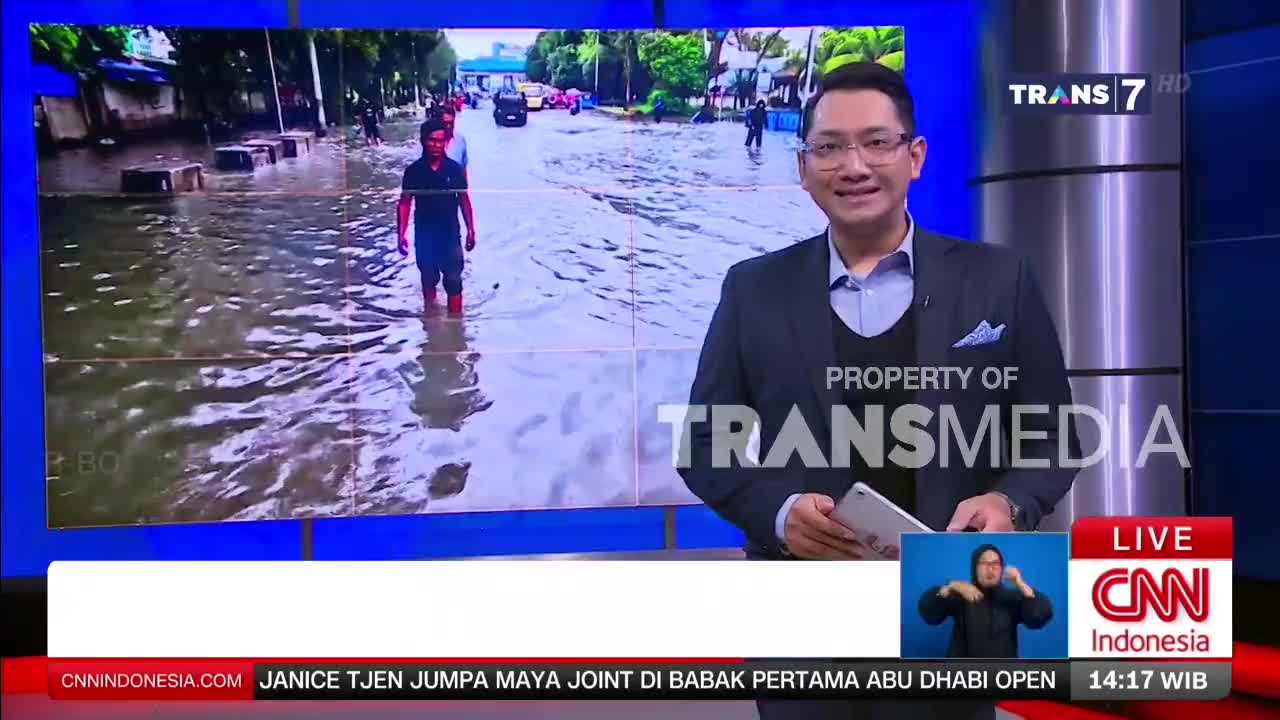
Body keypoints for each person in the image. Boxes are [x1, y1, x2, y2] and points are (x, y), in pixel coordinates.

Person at [677, 61, 1078, 720]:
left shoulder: (997, 279)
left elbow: (1052, 436)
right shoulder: (752, 289)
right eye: (829, 148)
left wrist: (1009, 502)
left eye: (876, 142)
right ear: (803, 169)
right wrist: (780, 516)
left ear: (914, 156)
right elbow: (703, 445)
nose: (853, 165)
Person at [918, 544, 1053, 658]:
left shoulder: (1011, 598)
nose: (990, 568)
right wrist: (950, 586)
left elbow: (1039, 616)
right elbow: (930, 615)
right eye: (984, 563)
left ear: (1001, 569)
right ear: (974, 568)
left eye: (996, 563)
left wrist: (1021, 584)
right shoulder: (962, 594)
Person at [398, 118, 476, 315]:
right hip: (425, 236)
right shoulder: (413, 172)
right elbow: (405, 202)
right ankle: (431, 322)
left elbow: (464, 200)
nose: (436, 145)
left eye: (441, 141)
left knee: (454, 281)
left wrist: (471, 230)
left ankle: (457, 330)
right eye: (432, 140)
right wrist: (401, 234)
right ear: (423, 141)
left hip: (451, 235)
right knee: (429, 278)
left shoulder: (454, 170)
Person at [438, 108, 469, 175]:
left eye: (451, 123)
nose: (448, 126)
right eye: (445, 123)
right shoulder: (431, 142)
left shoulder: (460, 140)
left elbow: (464, 168)